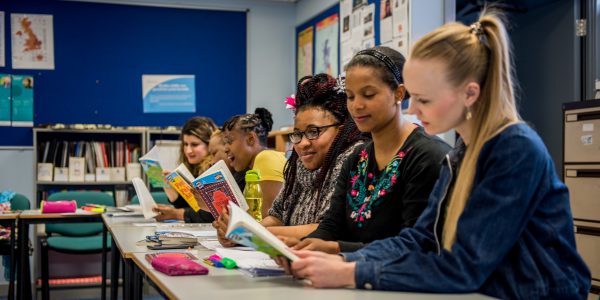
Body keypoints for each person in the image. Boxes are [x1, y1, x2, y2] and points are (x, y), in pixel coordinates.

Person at [284, 9, 591, 299]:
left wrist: (352, 272)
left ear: (470, 94)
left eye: (424, 100)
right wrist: (343, 259)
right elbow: (420, 238)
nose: (414, 110)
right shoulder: (460, 154)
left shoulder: (514, 149)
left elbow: (464, 267)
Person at [281, 46, 450, 254]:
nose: (357, 106)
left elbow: (416, 246)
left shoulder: (428, 157)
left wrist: (336, 250)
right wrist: (300, 249)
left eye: (368, 95)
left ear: (399, 93)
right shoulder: (356, 159)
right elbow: (331, 227)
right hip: (352, 277)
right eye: (350, 97)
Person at [213, 73, 367, 247]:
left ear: (341, 130)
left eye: (314, 131)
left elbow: (327, 230)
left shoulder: (352, 160)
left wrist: (250, 232)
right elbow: (277, 216)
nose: (303, 143)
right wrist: (239, 232)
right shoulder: (298, 166)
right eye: (297, 134)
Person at [222, 108, 286, 218]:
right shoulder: (254, 167)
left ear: (251, 139)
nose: (225, 149)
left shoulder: (266, 158)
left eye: (229, 141)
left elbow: (269, 220)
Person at [153, 116, 217, 222]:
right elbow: (187, 207)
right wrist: (169, 188)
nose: (188, 150)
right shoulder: (191, 167)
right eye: (185, 144)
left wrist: (174, 214)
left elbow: (209, 214)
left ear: (210, 144)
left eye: (194, 144)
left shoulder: (214, 171)